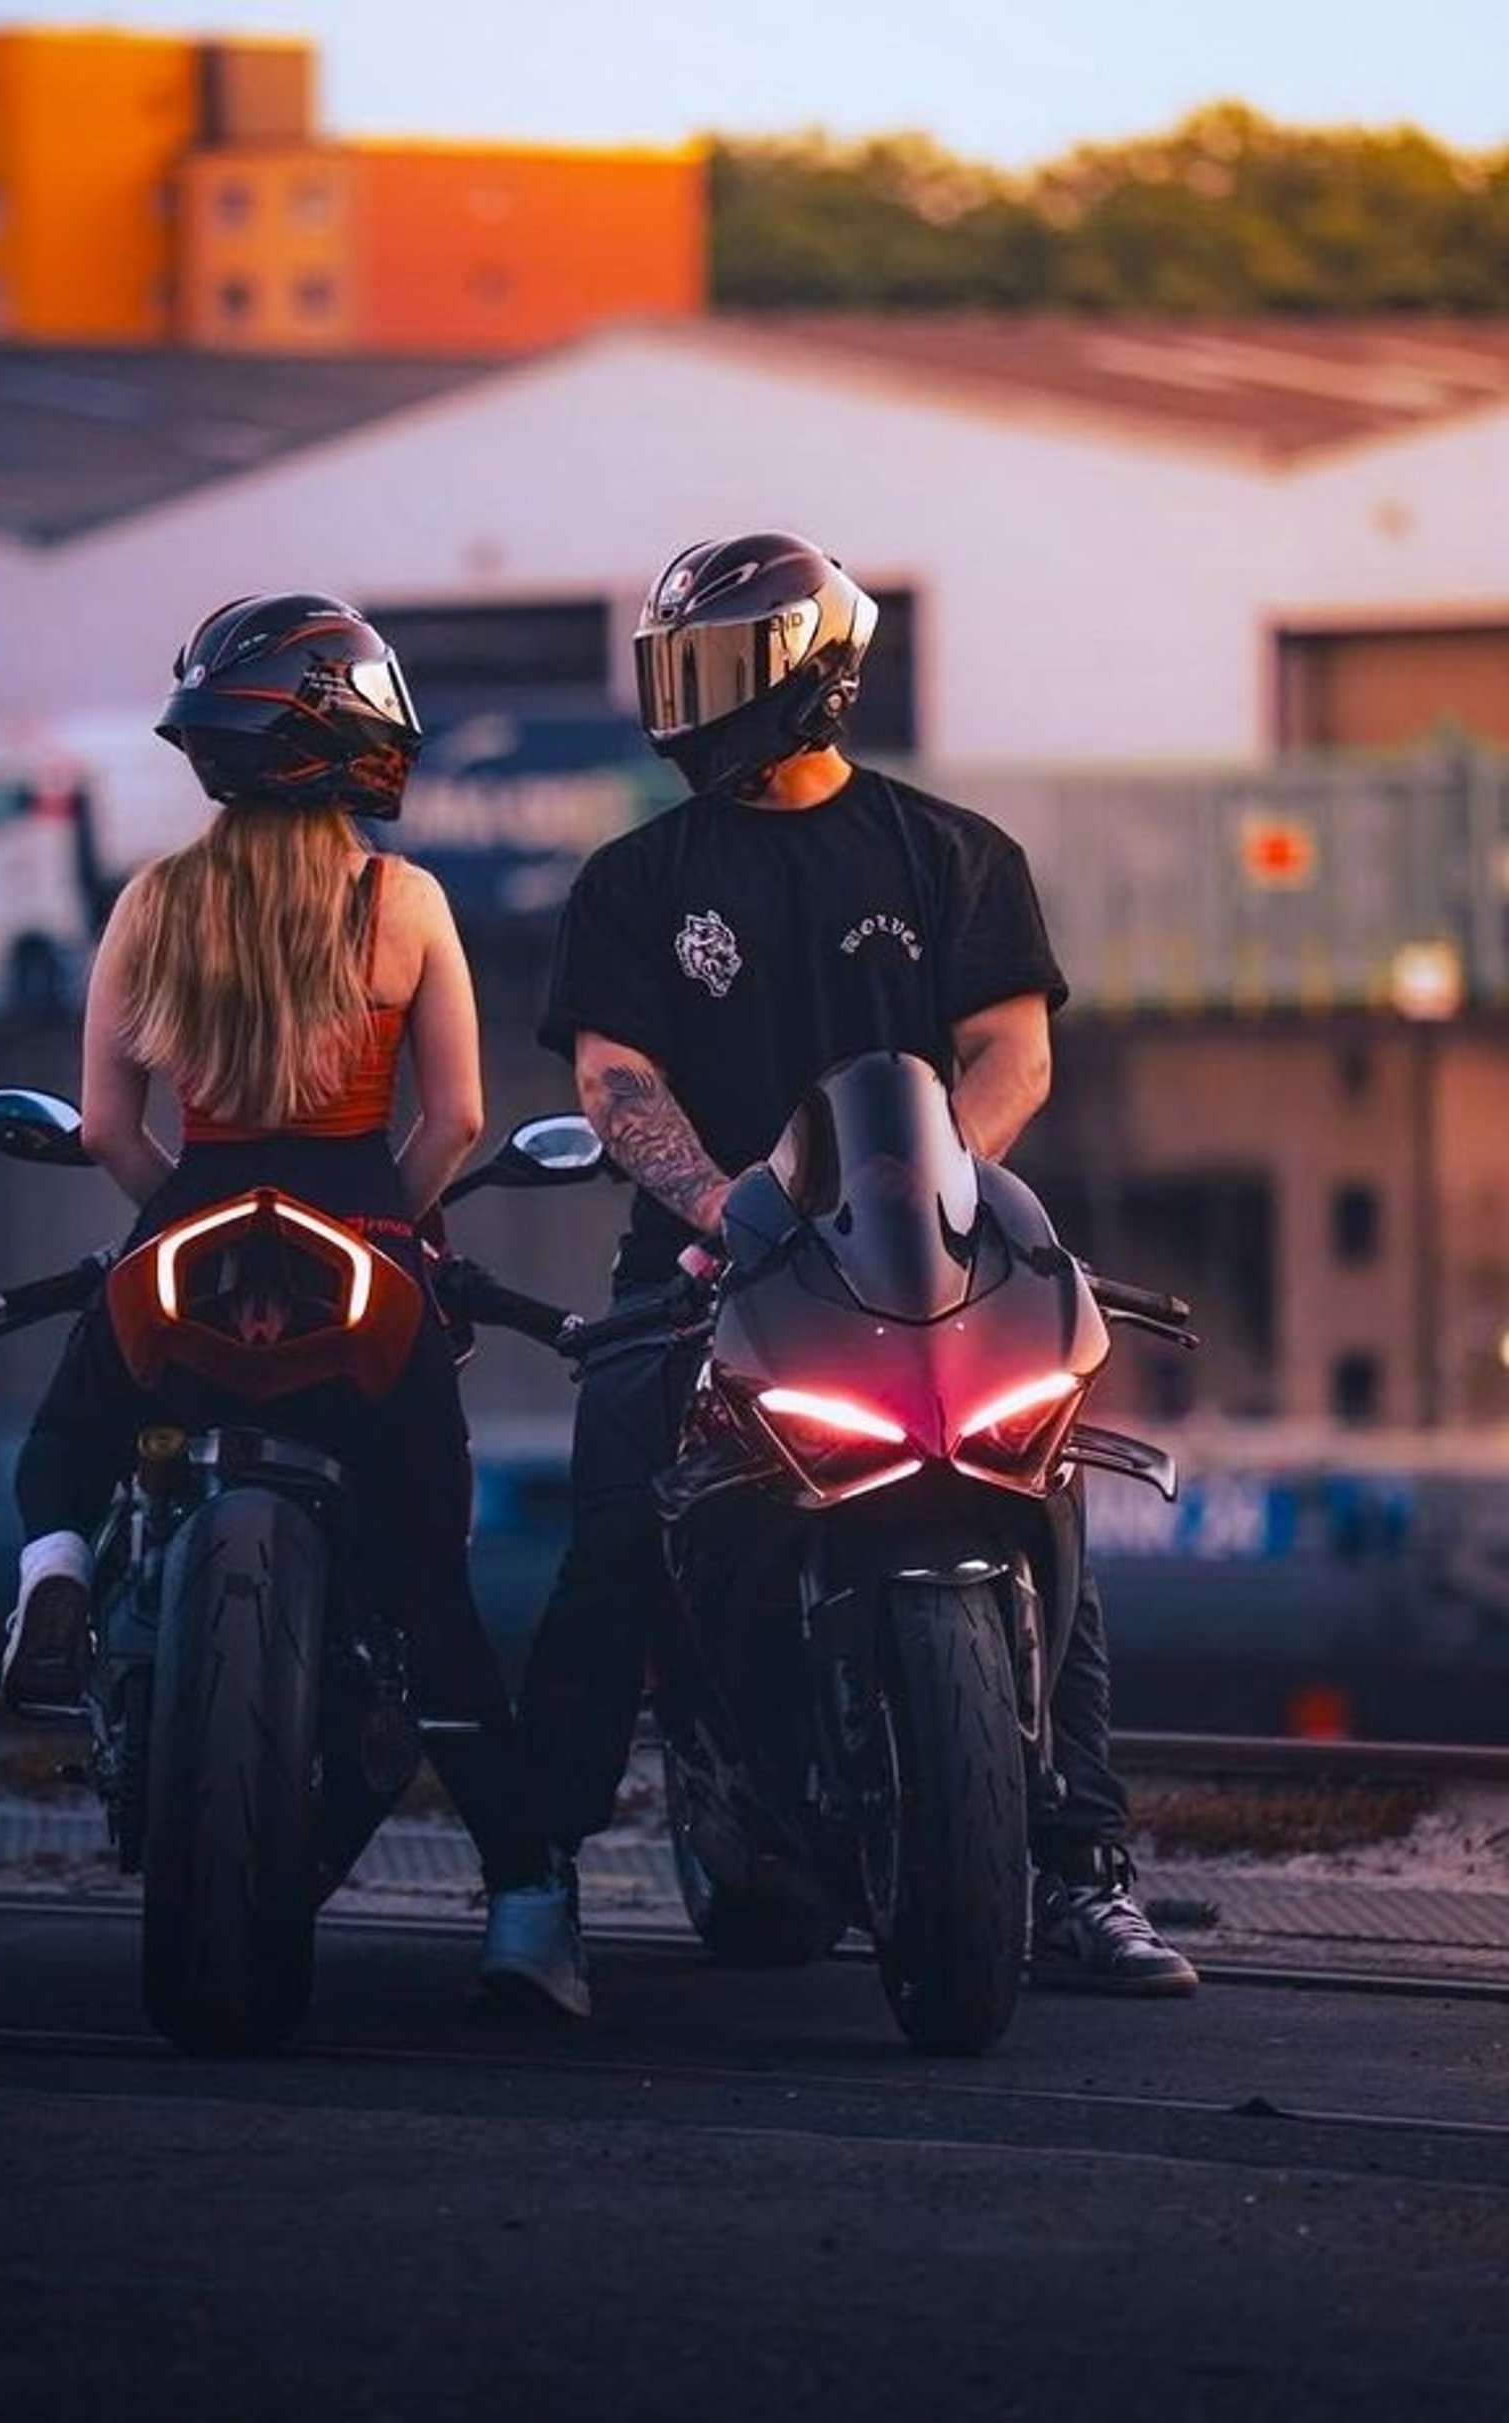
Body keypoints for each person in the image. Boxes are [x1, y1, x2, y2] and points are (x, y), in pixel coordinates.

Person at [500, 530, 1197, 2017]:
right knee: (616, 1542)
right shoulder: (638, 879)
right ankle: (532, 1881)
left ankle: (1080, 1873)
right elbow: (618, 1077)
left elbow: (1015, 1047)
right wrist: (717, 1202)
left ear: (811, 669)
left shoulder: (950, 855)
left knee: (1039, 1503)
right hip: (703, 1269)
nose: (685, 703)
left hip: (930, 1263)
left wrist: (937, 1172)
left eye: (715, 671)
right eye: (671, 671)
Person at [0, 590, 570, 1996]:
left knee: (75, 1434)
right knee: (434, 1592)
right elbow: (453, 1119)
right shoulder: (403, 903)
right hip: (363, 1232)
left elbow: (109, 1126)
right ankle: (523, 1909)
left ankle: (55, 1575)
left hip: (196, 1215)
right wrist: (399, 1224)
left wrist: (178, 1216)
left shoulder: (154, 900)